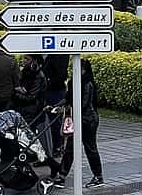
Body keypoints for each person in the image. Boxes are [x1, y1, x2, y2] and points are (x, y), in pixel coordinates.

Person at [48, 60, 104, 190]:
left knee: (89, 148)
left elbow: (83, 103)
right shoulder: (73, 82)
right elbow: (68, 98)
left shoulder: (87, 84)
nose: (76, 71)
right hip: (78, 119)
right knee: (70, 148)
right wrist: (57, 106)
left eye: (80, 69)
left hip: (88, 120)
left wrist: (68, 107)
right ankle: (62, 176)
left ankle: (98, 176)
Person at [42, 55, 69, 156]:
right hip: (52, 90)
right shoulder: (50, 55)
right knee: (51, 120)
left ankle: (57, 147)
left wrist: (47, 83)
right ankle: (54, 146)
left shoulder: (59, 56)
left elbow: (60, 75)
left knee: (55, 120)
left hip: (55, 91)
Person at [12, 55, 47, 127]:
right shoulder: (25, 72)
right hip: (25, 109)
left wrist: (16, 93)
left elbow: (31, 96)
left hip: (32, 111)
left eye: (27, 59)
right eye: (24, 58)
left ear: (34, 61)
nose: (24, 61)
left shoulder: (38, 76)